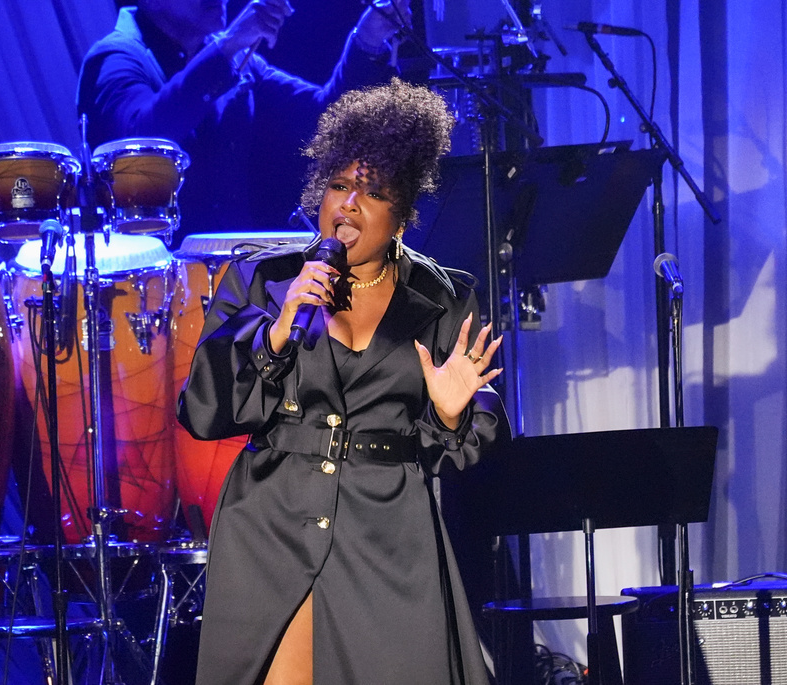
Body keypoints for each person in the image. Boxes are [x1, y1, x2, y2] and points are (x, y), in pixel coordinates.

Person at [178, 78, 509, 683]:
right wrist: (277, 334)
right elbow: (203, 411)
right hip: (272, 525)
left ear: (403, 215)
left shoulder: (443, 298)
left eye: (373, 192)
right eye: (338, 185)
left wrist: (451, 413)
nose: (349, 205)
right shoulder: (262, 280)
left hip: (389, 529)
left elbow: (469, 446)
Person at [77, 0, 409, 245]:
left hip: (231, 278)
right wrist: (227, 45)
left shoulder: (236, 60)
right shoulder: (116, 59)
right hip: (148, 294)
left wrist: (366, 39)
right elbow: (142, 139)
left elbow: (325, 119)